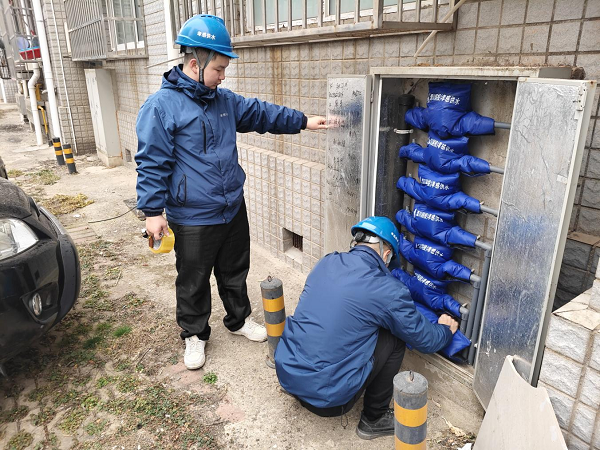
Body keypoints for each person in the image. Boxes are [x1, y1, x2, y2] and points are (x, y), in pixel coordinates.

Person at [135, 14, 327, 371]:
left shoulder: (223, 102)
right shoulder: (161, 107)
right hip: (192, 214)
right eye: (219, 69)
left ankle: (238, 320)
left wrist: (303, 120)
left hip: (231, 207)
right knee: (193, 279)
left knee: (235, 270)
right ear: (196, 64)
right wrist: (152, 212)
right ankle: (195, 334)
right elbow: (151, 162)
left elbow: (262, 114)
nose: (223, 76)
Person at [274, 216, 458, 440]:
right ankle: (374, 418)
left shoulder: (327, 262)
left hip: (288, 375)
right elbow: (426, 340)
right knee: (395, 336)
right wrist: (445, 330)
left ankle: (313, 382)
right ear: (386, 254)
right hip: (328, 399)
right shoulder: (386, 289)